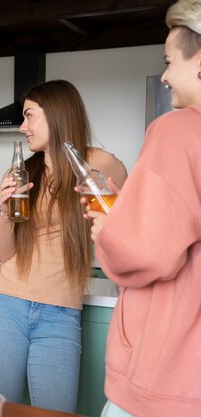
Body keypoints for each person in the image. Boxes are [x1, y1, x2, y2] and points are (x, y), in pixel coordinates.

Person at [0, 79, 127, 413]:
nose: (22, 126)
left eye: (30, 116)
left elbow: (127, 225)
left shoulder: (98, 164)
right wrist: (3, 211)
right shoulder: (23, 172)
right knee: (3, 412)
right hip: (5, 305)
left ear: (56, 114)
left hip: (60, 313)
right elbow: (5, 254)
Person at [83, 2, 201, 416]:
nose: (165, 76)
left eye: (169, 61)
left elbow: (146, 252)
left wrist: (111, 230)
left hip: (166, 377)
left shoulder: (178, 129)